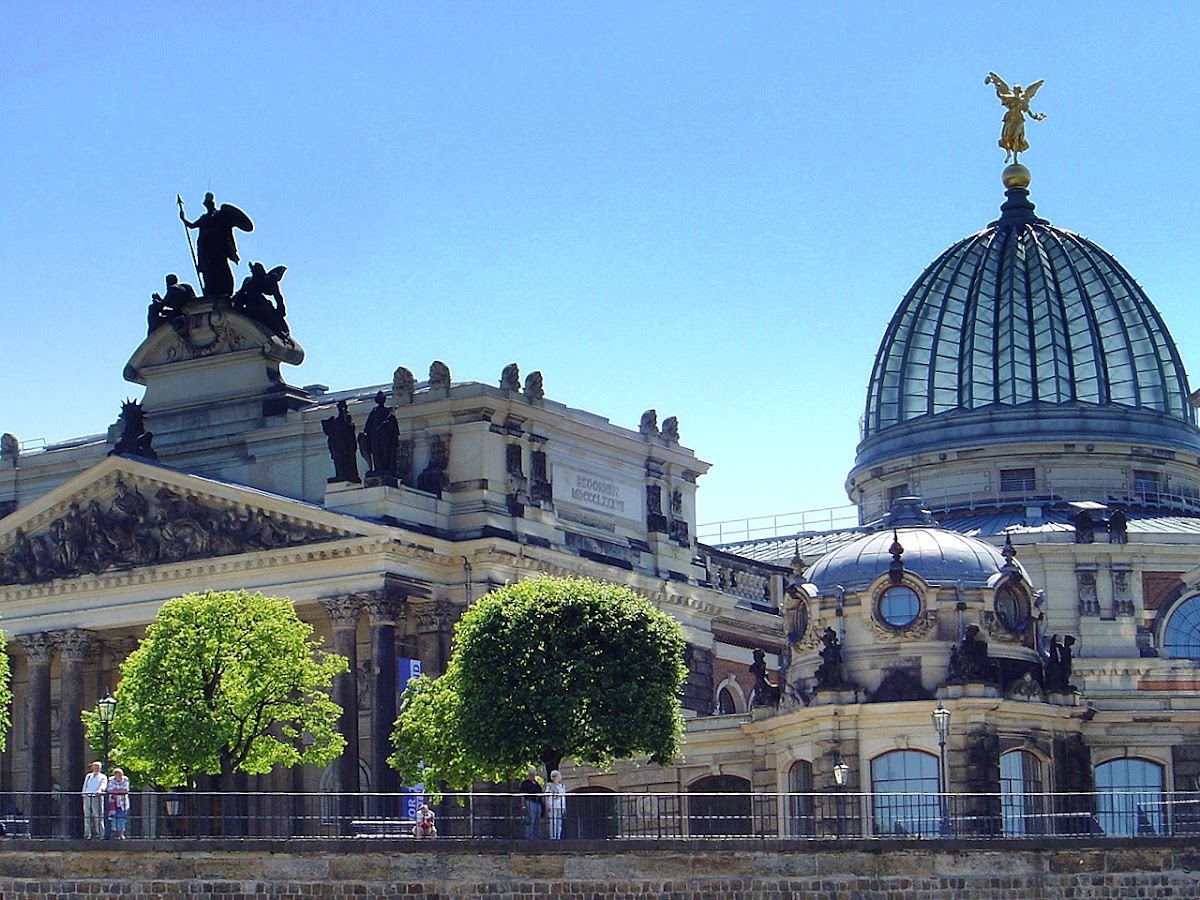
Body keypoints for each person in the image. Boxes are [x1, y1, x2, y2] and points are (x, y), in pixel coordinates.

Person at [180, 192, 253, 298]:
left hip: (218, 247)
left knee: (221, 267)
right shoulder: (204, 218)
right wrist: (183, 219)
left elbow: (227, 230)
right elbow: (192, 225)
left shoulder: (220, 215)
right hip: (206, 247)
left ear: (212, 204)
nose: (207, 206)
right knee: (208, 269)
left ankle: (225, 289)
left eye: (208, 204)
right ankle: (210, 290)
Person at [81, 761, 107, 839]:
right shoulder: (88, 776)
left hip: (96, 797)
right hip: (87, 796)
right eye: (94, 766)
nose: (96, 768)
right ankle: (87, 834)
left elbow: (103, 785)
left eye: (97, 767)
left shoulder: (103, 776)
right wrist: (83, 794)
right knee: (87, 816)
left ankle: (100, 834)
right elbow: (85, 785)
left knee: (98, 816)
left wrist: (99, 790)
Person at [106, 767, 130, 839]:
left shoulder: (125, 779)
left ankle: (121, 834)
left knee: (122, 818)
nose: (119, 776)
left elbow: (126, 790)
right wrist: (119, 791)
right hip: (113, 803)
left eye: (120, 775)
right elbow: (109, 790)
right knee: (114, 818)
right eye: (117, 775)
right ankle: (115, 834)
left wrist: (116, 791)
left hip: (123, 803)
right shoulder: (111, 780)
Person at [519, 769, 543, 839]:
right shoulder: (525, 783)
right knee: (530, 820)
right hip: (530, 802)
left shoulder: (537, 783)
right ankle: (529, 837)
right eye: (531, 774)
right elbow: (522, 795)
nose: (533, 776)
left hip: (538, 803)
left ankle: (535, 837)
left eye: (534, 774)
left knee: (537, 821)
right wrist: (523, 805)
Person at [544, 770, 566, 840]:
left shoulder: (562, 786)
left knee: (559, 821)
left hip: (560, 805)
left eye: (555, 776)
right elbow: (546, 796)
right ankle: (552, 836)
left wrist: (564, 806)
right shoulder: (549, 786)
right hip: (552, 805)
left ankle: (558, 836)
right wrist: (547, 805)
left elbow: (563, 796)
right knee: (553, 821)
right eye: (553, 776)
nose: (554, 778)